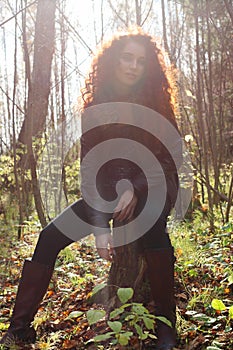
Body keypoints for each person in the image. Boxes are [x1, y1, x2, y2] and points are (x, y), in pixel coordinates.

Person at [1, 28, 182, 350]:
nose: (133, 65)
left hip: (152, 187)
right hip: (105, 191)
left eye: (141, 61)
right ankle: (19, 329)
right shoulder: (95, 107)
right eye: (127, 57)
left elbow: (168, 163)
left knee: (154, 231)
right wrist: (99, 226)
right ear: (113, 60)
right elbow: (91, 168)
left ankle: (166, 325)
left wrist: (135, 189)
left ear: (148, 68)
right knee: (48, 237)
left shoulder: (156, 105)